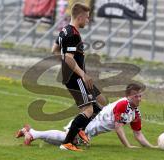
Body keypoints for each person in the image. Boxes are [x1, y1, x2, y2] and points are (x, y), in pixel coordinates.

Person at [15, 83, 158, 149]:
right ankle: (32, 134)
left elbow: (138, 134)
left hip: (90, 131)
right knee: (66, 139)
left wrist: (153, 147)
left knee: (65, 141)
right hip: (87, 123)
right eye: (136, 96)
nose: (139, 98)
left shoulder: (135, 113)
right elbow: (118, 128)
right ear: (128, 96)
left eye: (140, 96)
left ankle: (31, 133)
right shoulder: (123, 105)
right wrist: (128, 146)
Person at [51, 2, 107, 151]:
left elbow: (55, 50)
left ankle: (80, 129)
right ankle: (68, 143)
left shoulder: (64, 30)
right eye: (87, 18)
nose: (88, 20)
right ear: (80, 17)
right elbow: (69, 57)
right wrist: (81, 73)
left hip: (74, 76)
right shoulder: (73, 34)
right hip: (76, 78)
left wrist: (66, 66)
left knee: (99, 104)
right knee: (88, 110)